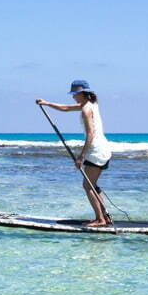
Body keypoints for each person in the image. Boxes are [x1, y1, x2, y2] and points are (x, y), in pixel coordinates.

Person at [36, 80, 113, 227]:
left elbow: (90, 134)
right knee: (92, 185)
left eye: (75, 94)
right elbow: (65, 108)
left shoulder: (86, 110)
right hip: (103, 149)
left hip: (96, 151)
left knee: (88, 186)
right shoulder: (90, 105)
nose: (73, 97)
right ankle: (105, 217)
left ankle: (100, 220)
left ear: (82, 93)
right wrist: (46, 103)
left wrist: (81, 157)